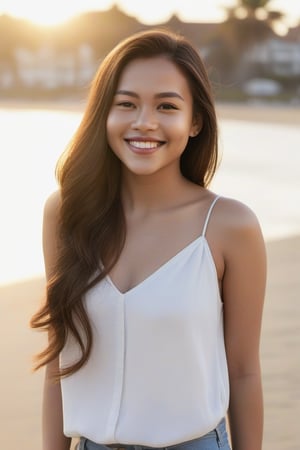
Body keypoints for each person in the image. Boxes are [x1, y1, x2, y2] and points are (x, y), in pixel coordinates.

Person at [31, 29, 266, 450]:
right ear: (104, 113)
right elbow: (59, 364)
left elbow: (244, 372)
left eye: (166, 106)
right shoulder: (66, 215)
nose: (144, 122)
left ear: (195, 121)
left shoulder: (230, 226)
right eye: (126, 104)